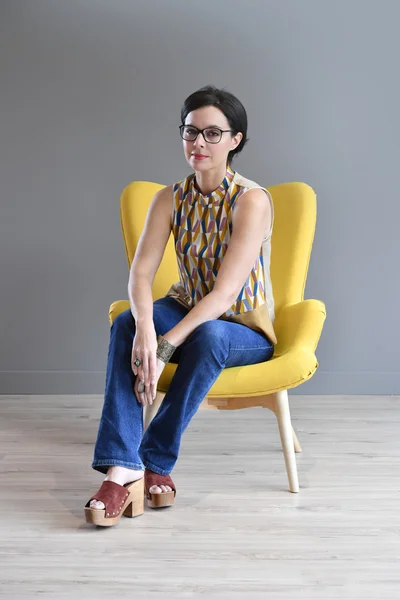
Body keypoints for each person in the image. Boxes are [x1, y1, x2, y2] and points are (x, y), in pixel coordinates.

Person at [84, 85, 277, 527]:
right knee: (126, 324)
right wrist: (147, 329)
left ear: (236, 140)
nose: (199, 143)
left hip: (241, 327)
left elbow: (226, 295)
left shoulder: (252, 200)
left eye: (213, 133)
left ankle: (156, 455)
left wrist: (166, 341)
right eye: (191, 132)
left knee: (208, 333)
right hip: (185, 305)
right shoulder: (170, 197)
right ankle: (122, 466)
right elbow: (140, 275)